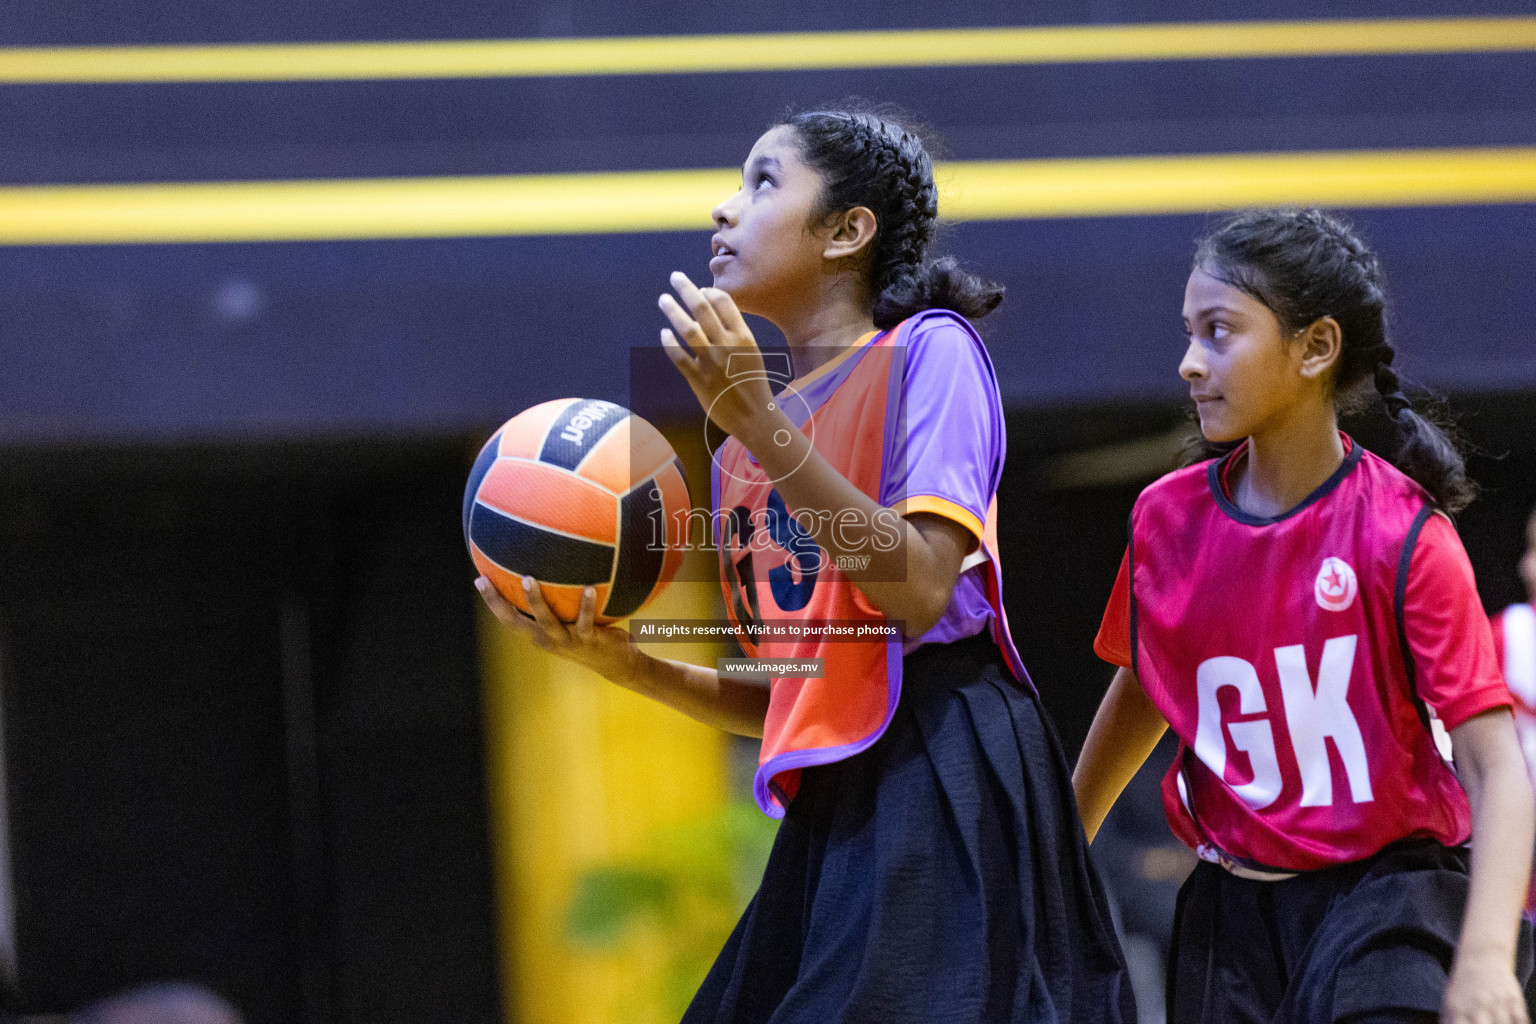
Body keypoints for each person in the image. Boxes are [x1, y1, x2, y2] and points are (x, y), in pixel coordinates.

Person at [478, 107, 1134, 1022]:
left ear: (848, 231)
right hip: (841, 804)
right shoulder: (742, 455)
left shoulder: (930, 353)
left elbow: (916, 591)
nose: (722, 210)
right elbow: (797, 690)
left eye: (762, 183)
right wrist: (624, 665)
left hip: (946, 761)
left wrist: (761, 423)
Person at [1071, 208, 1533, 1024]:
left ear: (1316, 348)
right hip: (1229, 915)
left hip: (1387, 901)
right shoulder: (1163, 520)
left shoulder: (1404, 534)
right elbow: (1145, 682)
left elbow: (1496, 764)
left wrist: (1488, 956)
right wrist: (1060, 848)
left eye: (1219, 332)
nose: (1188, 363)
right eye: (1188, 332)